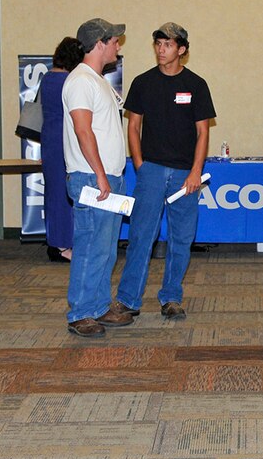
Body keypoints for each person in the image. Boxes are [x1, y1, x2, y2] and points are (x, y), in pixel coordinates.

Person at [113, 23, 215, 321]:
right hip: (152, 170)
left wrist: (196, 171)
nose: (161, 49)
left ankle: (171, 297)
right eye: (158, 44)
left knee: (182, 239)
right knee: (141, 236)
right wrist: (140, 164)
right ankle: (128, 299)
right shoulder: (143, 83)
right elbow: (133, 126)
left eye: (168, 45)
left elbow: (203, 132)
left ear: (181, 49)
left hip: (185, 174)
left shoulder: (196, 85)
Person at [63, 17, 132, 337]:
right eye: (114, 40)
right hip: (92, 179)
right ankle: (80, 311)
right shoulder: (80, 81)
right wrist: (101, 176)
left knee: (105, 247)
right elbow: (82, 130)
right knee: (91, 246)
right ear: (100, 44)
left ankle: (99, 305)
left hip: (107, 178)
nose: (118, 45)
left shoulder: (98, 80)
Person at [40, 36, 85, 263]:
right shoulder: (69, 81)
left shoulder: (47, 78)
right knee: (64, 195)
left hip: (49, 139)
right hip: (64, 140)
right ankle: (62, 246)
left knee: (54, 192)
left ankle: (55, 242)